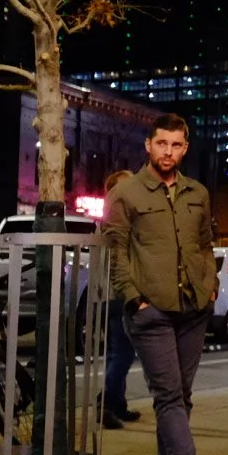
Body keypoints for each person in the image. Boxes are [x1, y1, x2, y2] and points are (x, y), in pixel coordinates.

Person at [102, 113, 219, 455]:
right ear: (148, 146)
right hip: (150, 311)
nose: (168, 152)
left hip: (194, 308)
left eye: (176, 145)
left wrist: (210, 285)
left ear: (185, 148)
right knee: (168, 395)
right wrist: (134, 297)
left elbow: (205, 244)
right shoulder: (127, 193)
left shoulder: (198, 193)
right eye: (161, 144)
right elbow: (114, 249)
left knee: (180, 396)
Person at [100, 169, 142, 429]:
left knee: (118, 353)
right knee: (123, 354)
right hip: (116, 294)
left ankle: (117, 403)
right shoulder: (118, 218)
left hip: (111, 293)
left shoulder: (111, 217)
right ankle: (107, 403)